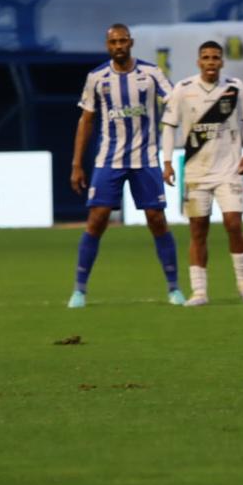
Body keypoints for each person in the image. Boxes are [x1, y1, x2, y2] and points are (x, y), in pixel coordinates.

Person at [67, 24, 184, 309]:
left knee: (156, 219)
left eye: (122, 41)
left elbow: (174, 103)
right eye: (113, 42)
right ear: (107, 46)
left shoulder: (151, 73)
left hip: (145, 158)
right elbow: (86, 121)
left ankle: (174, 288)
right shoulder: (97, 77)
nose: (118, 46)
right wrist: (76, 164)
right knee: (97, 219)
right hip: (109, 158)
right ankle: (79, 291)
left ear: (131, 42)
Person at [160, 41, 243, 307]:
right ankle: (200, 292)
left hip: (229, 170)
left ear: (222, 62)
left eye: (216, 57)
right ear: (198, 61)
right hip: (195, 171)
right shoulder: (183, 90)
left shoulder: (235, 88)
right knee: (198, 231)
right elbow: (169, 126)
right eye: (206, 57)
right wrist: (168, 161)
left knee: (234, 224)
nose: (211, 62)